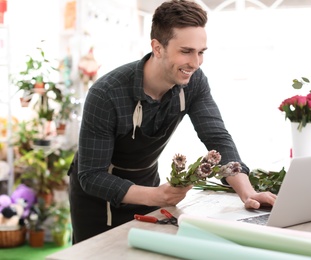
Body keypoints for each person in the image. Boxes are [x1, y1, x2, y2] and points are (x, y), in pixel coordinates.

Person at [68, 0, 277, 244]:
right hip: (97, 201)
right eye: (186, 51)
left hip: (149, 186)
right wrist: (156, 196)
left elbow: (217, 138)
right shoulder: (107, 94)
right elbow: (91, 175)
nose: (195, 63)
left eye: (201, 52)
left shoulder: (194, 82)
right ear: (157, 48)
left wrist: (247, 192)